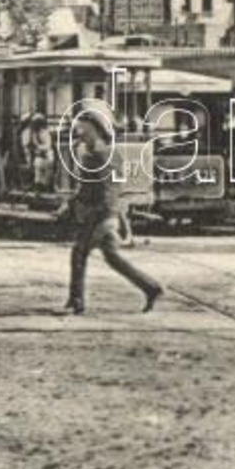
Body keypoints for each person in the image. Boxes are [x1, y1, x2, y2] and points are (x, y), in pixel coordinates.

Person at [59, 100, 163, 314]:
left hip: (100, 216)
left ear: (96, 130)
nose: (81, 136)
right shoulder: (98, 154)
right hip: (100, 213)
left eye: (85, 132)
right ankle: (151, 288)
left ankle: (76, 301)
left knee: (79, 254)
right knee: (111, 258)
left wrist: (103, 213)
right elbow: (89, 188)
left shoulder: (104, 156)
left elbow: (110, 189)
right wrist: (71, 204)